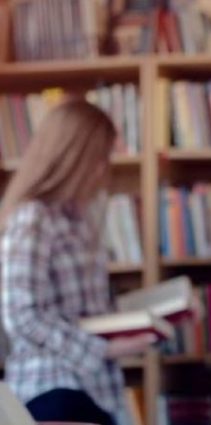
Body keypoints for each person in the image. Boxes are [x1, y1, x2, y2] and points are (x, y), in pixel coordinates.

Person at [0, 99, 155, 425]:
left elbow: (86, 309)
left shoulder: (78, 220)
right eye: (97, 158)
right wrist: (101, 349)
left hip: (95, 388)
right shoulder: (32, 219)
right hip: (51, 388)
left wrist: (151, 318)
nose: (103, 169)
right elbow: (22, 317)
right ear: (71, 157)